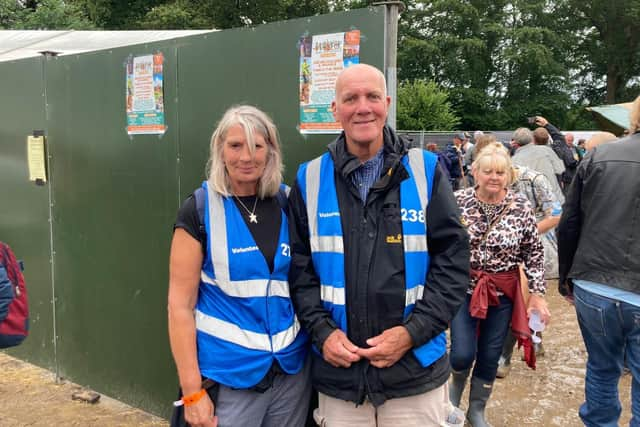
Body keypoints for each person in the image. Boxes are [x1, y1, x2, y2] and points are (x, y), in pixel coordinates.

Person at [288, 63, 470, 426]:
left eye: (372, 96)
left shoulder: (425, 170)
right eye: (350, 98)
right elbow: (298, 271)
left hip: (414, 373)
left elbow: (453, 263)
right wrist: (323, 334)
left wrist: (411, 333)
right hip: (341, 376)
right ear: (335, 110)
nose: (363, 107)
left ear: (386, 103)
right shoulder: (308, 179)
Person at [168, 105, 310, 427]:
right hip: (230, 377)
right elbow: (179, 307)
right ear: (220, 150)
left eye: (257, 146)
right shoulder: (200, 210)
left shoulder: (288, 202)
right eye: (235, 145)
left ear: (270, 151)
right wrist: (192, 392)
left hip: (290, 372)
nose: (246, 156)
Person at [450, 143, 548, 427]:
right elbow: (440, 243)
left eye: (500, 172)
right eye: (488, 171)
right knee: (461, 353)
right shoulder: (458, 201)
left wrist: (538, 294)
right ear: (475, 173)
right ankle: (452, 404)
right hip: (463, 289)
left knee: (491, 355)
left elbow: (533, 252)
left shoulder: (520, 207)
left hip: (502, 292)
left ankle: (477, 412)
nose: (494, 177)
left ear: (509, 175)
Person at [557, 95, 640, 427]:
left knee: (601, 367)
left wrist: (567, 279)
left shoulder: (599, 156)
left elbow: (569, 222)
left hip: (594, 285)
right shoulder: (598, 157)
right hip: (603, 284)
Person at [511, 127, 565, 203]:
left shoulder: (513, 161)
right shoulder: (546, 150)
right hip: (553, 200)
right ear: (531, 139)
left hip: (530, 205)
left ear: (515, 143)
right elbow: (560, 169)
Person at [532, 116, 578, 195]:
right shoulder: (556, 149)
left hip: (539, 191)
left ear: (533, 140)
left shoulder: (529, 154)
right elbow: (559, 137)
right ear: (547, 138)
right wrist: (546, 124)